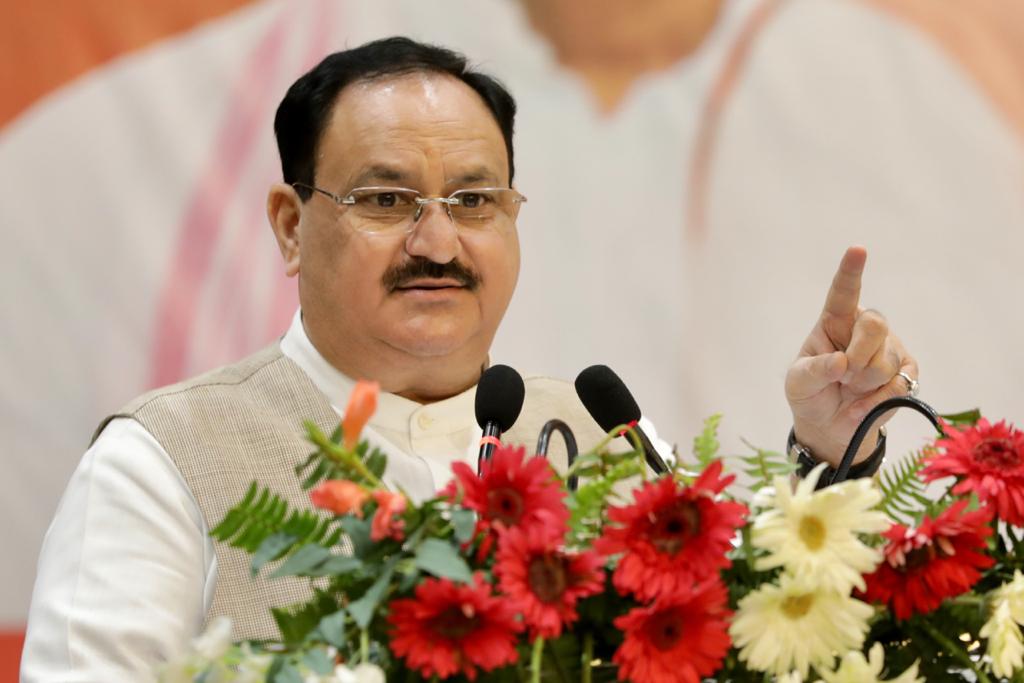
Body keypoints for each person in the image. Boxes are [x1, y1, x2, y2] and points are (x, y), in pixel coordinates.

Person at [20, 36, 918, 681]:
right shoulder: (163, 460)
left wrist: (831, 458)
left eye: (475, 199)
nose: (439, 242)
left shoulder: (607, 434)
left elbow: (743, 641)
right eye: (386, 198)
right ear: (292, 227)